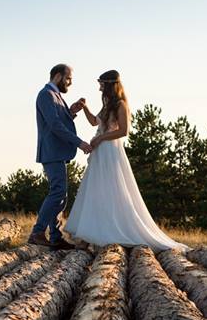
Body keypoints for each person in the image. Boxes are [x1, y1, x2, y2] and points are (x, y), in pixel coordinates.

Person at [64, 70, 190, 251]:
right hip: (100, 152)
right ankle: (87, 235)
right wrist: (84, 108)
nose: (99, 87)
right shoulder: (107, 104)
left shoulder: (121, 104)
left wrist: (101, 138)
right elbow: (94, 122)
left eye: (101, 83)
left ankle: (106, 233)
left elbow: (124, 131)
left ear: (109, 84)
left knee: (110, 190)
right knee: (95, 191)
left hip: (110, 150)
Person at [28, 63, 93, 249]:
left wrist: (71, 112)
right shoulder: (46, 95)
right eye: (68, 78)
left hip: (57, 152)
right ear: (58, 76)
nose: (70, 83)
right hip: (51, 151)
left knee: (61, 195)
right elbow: (55, 125)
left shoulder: (54, 96)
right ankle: (38, 232)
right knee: (57, 192)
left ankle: (55, 237)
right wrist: (79, 142)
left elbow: (58, 120)